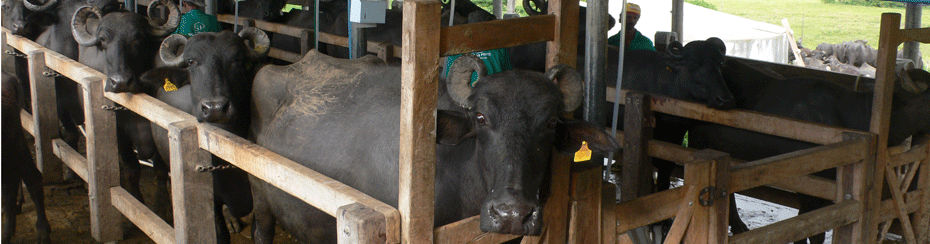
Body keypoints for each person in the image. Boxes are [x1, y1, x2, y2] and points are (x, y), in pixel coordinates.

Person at [443, 12, 512, 86]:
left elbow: (508, 74)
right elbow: (450, 78)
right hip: (472, 93)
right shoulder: (458, 49)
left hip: (491, 92)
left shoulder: (499, 48)